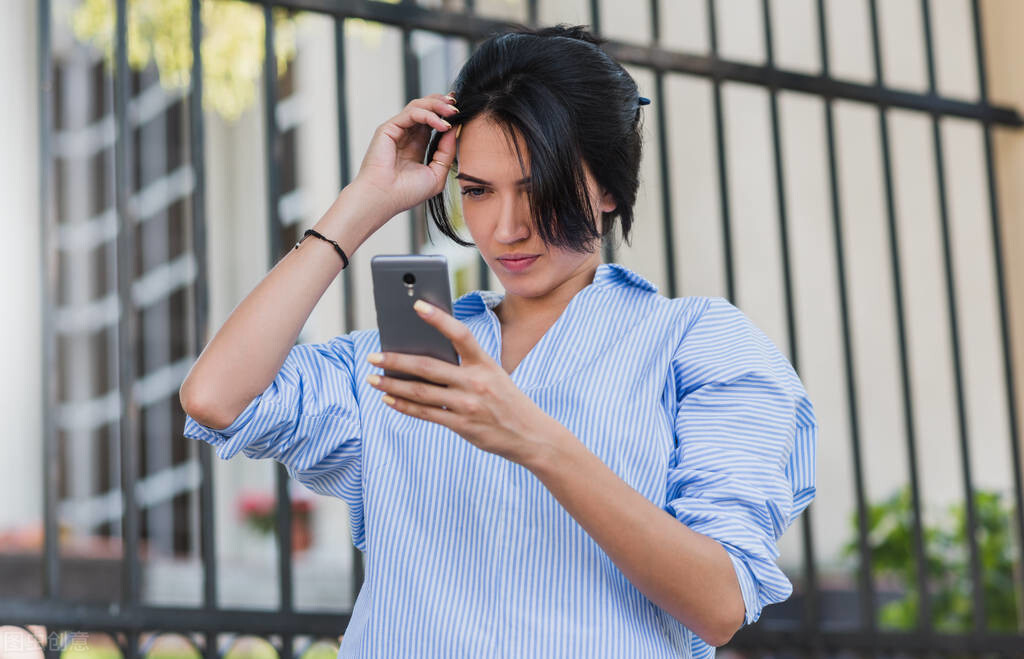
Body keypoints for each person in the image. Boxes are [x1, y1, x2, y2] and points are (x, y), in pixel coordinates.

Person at [179, 24, 817, 659]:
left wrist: (535, 440)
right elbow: (215, 397)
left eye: (538, 187)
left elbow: (721, 605)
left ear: (611, 188)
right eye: (477, 191)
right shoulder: (407, 355)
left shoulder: (699, 346)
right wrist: (363, 203)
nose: (506, 228)